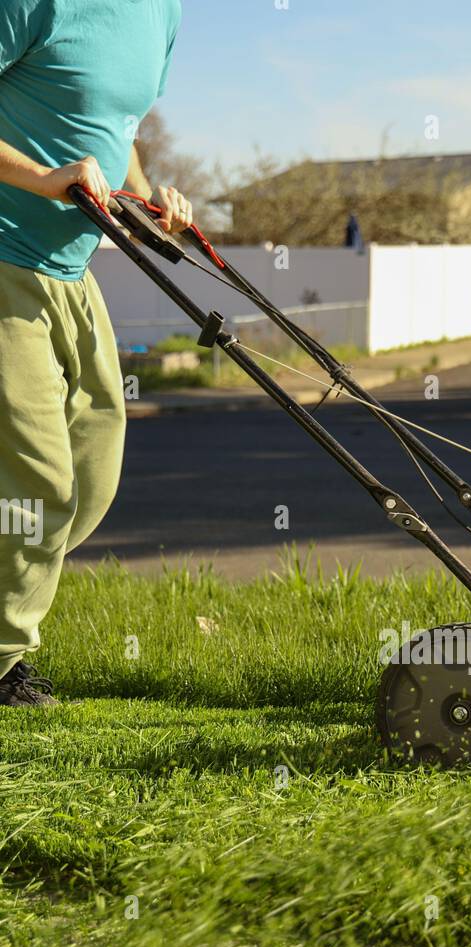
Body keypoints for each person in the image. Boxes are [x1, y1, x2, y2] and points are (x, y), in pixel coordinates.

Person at [0, 0, 193, 705]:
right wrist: (43, 177)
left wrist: (146, 205)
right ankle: (2, 662)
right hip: (4, 258)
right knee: (38, 480)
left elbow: (119, 127)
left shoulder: (160, 12)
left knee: (93, 464)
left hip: (71, 266)